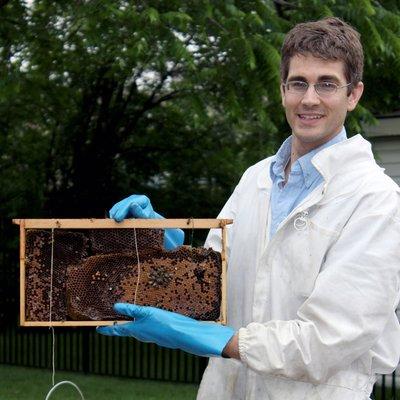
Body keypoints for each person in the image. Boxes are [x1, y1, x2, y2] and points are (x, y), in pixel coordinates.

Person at [97, 17, 400, 399]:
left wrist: (221, 341)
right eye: (298, 83)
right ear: (282, 90)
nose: (309, 98)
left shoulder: (375, 200)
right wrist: (165, 248)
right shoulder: (256, 179)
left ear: (353, 94)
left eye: (327, 84)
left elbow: (326, 341)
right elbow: (209, 289)